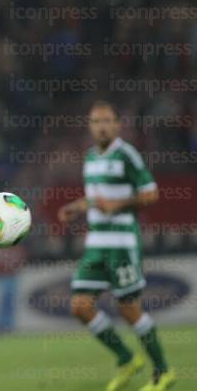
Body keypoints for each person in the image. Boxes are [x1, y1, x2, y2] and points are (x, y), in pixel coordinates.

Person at [58, 101, 175, 391]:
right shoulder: (90, 158)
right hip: (96, 242)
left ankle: (164, 371)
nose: (101, 126)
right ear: (90, 126)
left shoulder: (126, 155)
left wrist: (118, 204)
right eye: (96, 121)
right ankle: (126, 359)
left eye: (107, 121)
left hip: (122, 242)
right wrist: (77, 206)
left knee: (128, 309)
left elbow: (151, 193)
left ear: (117, 124)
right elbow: (97, 197)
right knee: (80, 306)